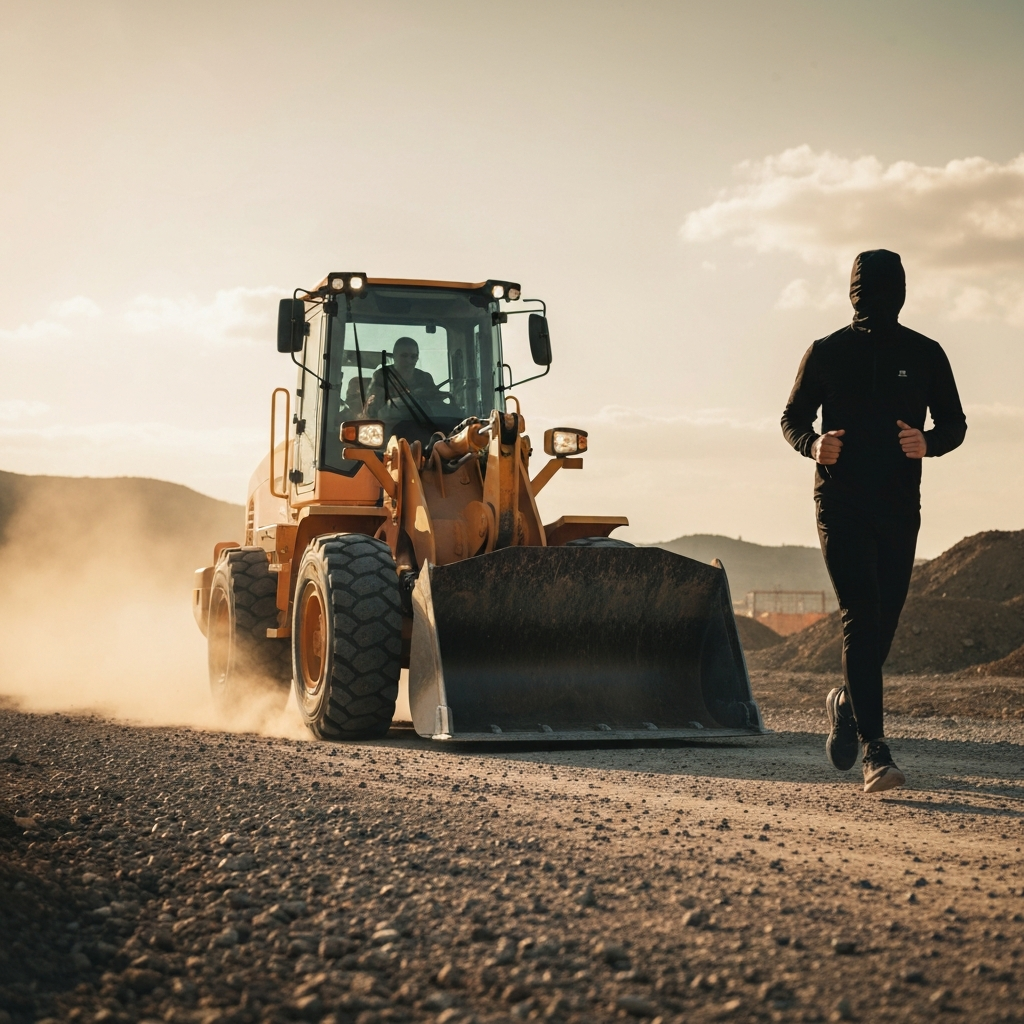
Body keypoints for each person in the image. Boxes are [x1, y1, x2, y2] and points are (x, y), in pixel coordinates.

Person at [781, 249, 967, 793]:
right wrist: (813, 444)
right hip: (839, 503)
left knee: (882, 622)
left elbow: (954, 423)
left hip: (897, 505)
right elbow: (792, 418)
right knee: (861, 616)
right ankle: (876, 752)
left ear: (902, 294)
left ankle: (845, 702)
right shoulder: (826, 351)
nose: (875, 303)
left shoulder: (926, 353)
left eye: (885, 292)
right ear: (852, 293)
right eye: (867, 292)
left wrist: (929, 442)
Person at [362, 337, 441, 416]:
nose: (409, 360)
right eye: (404, 356)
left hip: (422, 423)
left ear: (417, 358)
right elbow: (372, 410)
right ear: (394, 356)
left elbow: (436, 407)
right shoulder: (382, 375)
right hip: (389, 423)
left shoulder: (425, 378)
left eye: (413, 357)